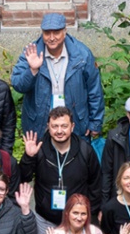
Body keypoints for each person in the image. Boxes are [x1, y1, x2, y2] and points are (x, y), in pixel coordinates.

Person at [12, 11, 104, 139]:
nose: (51, 37)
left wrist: (95, 122)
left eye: (56, 32)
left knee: (74, 157)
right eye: (47, 33)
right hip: (40, 122)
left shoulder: (82, 55)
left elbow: (94, 89)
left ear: (65, 31)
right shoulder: (31, 52)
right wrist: (32, 70)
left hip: (74, 120)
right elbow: (17, 85)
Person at [21, 109, 100, 229]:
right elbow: (23, 177)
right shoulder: (39, 149)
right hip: (46, 218)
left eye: (64, 126)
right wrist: (29, 157)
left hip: (77, 219)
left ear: (72, 127)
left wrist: (90, 212)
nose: (59, 131)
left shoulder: (85, 150)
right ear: (48, 127)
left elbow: (96, 183)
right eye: (55, 126)